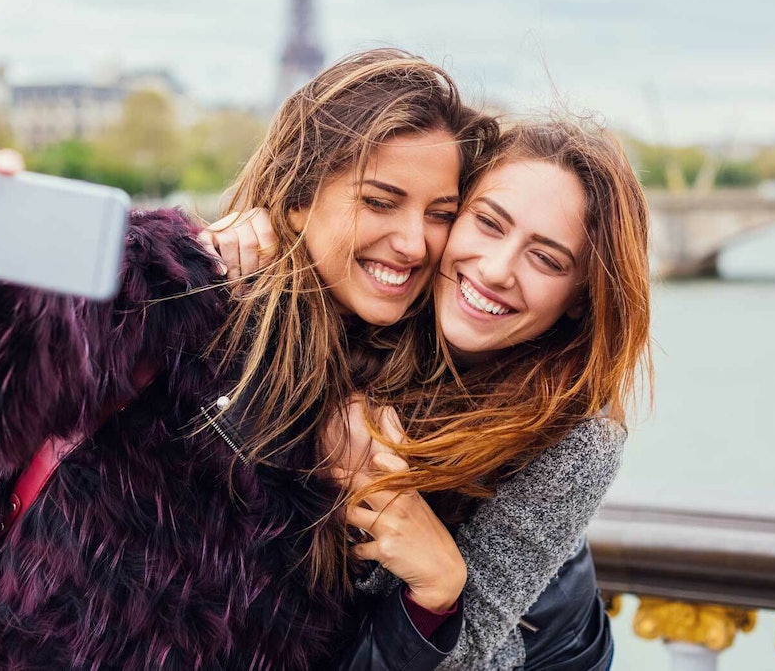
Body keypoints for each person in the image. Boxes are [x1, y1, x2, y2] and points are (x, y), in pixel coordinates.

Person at [0, 49, 497, 670]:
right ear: (299, 193)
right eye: (380, 202)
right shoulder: (180, 282)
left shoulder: (419, 410)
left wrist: (436, 594)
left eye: (440, 214)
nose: (414, 242)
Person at [217, 117, 652, 669]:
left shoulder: (578, 438)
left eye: (545, 259)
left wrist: (441, 584)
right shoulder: (384, 297)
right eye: (488, 224)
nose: (496, 270)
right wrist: (254, 242)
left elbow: (474, 652)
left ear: (580, 298)